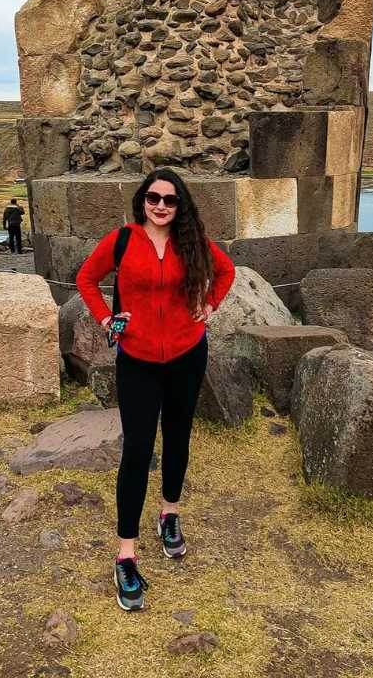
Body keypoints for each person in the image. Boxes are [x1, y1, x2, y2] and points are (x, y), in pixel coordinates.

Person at [76, 168, 235, 612]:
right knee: (138, 448)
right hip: (138, 359)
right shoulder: (122, 241)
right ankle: (125, 554)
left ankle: (169, 512)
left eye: (170, 199)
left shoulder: (192, 243)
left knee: (179, 436)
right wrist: (107, 321)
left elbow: (226, 271)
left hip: (187, 352)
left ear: (180, 205)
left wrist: (209, 305)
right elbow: (86, 280)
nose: (161, 205)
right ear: (142, 201)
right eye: (153, 198)